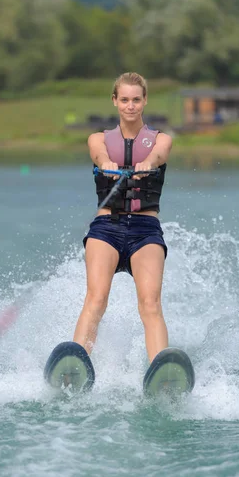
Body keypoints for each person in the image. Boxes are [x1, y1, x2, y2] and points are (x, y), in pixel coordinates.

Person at [73, 72, 173, 364]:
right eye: (125, 99)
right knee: (96, 300)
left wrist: (148, 163)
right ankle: (76, 363)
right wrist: (106, 163)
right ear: (115, 101)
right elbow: (98, 153)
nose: (131, 106)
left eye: (136, 100)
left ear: (145, 101)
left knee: (150, 304)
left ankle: (161, 369)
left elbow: (159, 155)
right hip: (106, 228)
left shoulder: (160, 140)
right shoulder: (98, 139)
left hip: (145, 230)